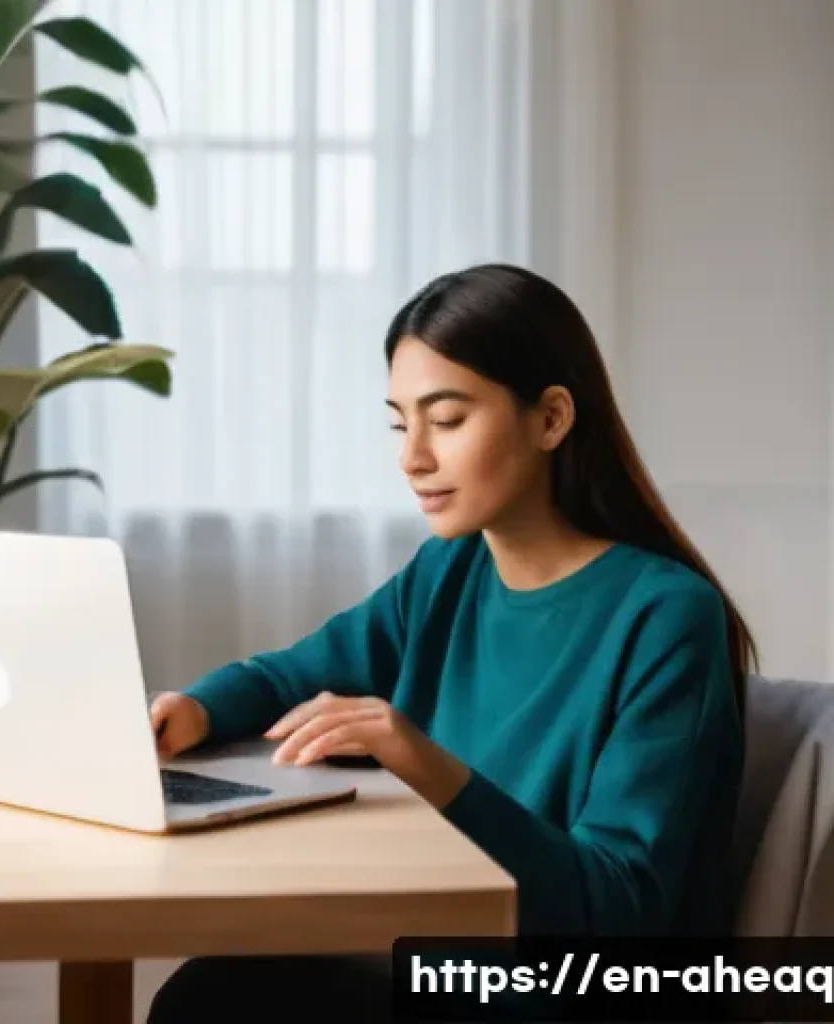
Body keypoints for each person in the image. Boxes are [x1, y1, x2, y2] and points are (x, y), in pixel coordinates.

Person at [144, 264, 756, 1022]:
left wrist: (423, 762)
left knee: (218, 1003)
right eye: (402, 422)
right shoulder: (451, 570)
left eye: (448, 419)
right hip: (443, 961)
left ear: (552, 418)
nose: (413, 458)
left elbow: (615, 915)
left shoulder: (666, 617)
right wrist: (194, 710)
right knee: (214, 992)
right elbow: (296, 674)